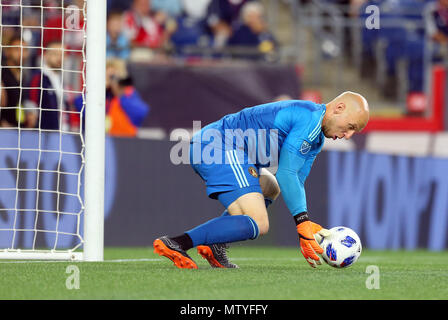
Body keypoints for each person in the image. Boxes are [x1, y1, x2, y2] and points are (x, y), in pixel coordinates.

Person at [153, 91, 369, 269]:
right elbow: (287, 173)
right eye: (350, 127)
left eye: (354, 132)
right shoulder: (309, 120)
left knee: (270, 186)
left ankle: (215, 244)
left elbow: (296, 180)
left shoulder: (317, 136)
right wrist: (300, 221)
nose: (348, 135)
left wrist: (305, 222)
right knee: (259, 223)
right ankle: (177, 242)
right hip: (217, 146)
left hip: (229, 151)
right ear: (338, 108)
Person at [74, 58, 150, 137]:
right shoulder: (97, 93)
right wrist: (100, 88)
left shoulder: (127, 93)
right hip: (97, 139)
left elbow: (141, 112)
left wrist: (119, 93)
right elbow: (80, 105)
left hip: (124, 140)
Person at [27, 41, 68, 130]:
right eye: (55, 54)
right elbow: (31, 104)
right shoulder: (38, 78)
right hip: (45, 134)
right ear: (46, 55)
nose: (59, 58)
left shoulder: (62, 79)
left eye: (62, 54)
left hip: (64, 132)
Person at [0, 35, 37, 128]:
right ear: (7, 52)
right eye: (17, 49)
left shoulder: (25, 76)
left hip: (18, 129)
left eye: (24, 50)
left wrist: (30, 114)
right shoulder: (2, 73)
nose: (21, 54)